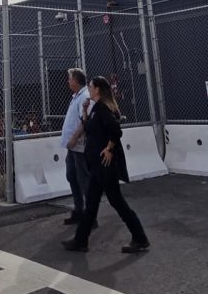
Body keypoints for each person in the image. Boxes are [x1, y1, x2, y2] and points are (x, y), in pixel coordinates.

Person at [62, 76, 150, 254]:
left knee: (117, 202)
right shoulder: (96, 108)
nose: (89, 88)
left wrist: (109, 148)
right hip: (97, 166)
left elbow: (115, 130)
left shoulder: (103, 108)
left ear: (97, 90)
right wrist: (85, 111)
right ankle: (81, 240)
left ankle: (140, 237)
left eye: (91, 86)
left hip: (105, 165)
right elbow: (90, 128)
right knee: (92, 203)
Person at [60, 68, 92, 226]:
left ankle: (90, 215)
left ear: (75, 80)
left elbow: (84, 121)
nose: (68, 81)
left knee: (83, 179)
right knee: (72, 176)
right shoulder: (76, 96)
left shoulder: (84, 96)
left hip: (79, 147)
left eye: (70, 79)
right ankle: (79, 210)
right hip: (73, 148)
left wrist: (74, 138)